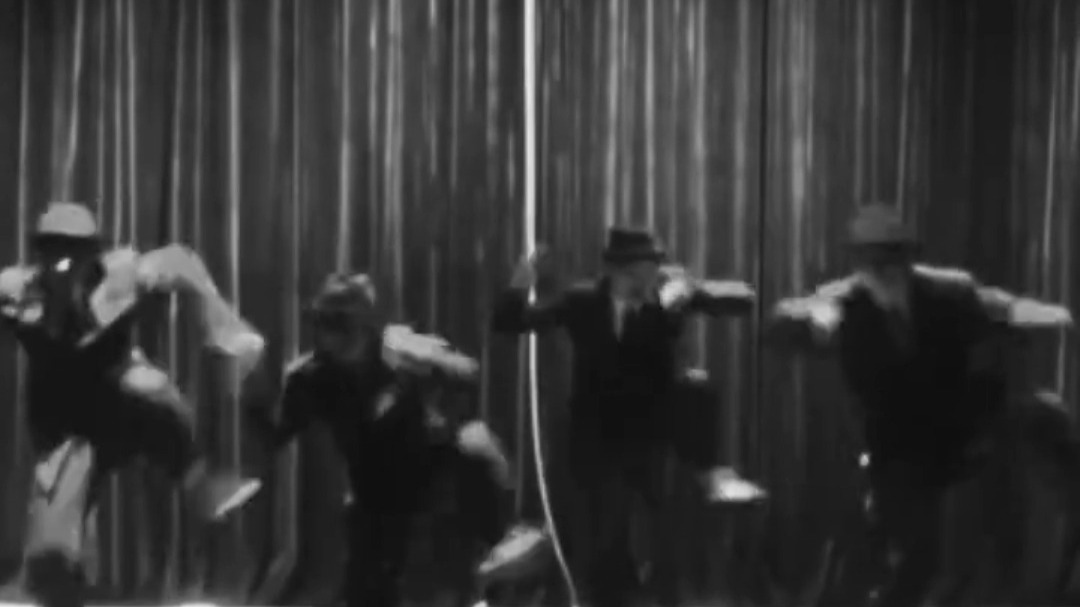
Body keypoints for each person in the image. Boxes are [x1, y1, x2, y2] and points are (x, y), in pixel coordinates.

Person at [765, 202, 1077, 607]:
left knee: (1043, 415)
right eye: (874, 263)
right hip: (898, 447)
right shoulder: (844, 302)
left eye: (893, 261)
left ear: (907, 260)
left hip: (960, 424)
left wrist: (1046, 316)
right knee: (919, 558)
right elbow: (782, 321)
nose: (884, 273)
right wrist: (812, 319)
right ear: (860, 265)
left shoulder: (948, 291)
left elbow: (1001, 307)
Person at [0, 202, 265, 607]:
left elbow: (180, 260)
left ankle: (202, 486)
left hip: (122, 398)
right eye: (53, 249)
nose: (64, 262)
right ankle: (62, 579)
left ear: (94, 254)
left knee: (158, 402)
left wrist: (227, 332)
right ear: (39, 253)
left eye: (75, 250)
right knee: (52, 554)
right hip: (63, 417)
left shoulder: (123, 275)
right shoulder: (18, 291)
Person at [490, 226, 766, 607]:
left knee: (695, 390)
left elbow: (743, 299)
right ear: (618, 271)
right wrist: (523, 280)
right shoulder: (583, 301)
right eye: (642, 269)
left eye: (654, 267)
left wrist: (693, 289)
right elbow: (510, 322)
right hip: (597, 436)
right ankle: (609, 593)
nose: (651, 277)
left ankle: (711, 477)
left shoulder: (667, 299)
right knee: (606, 538)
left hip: (649, 434)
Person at [247, 272, 548, 607]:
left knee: (476, 445)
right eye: (323, 323)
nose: (330, 335)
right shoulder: (311, 378)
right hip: (374, 495)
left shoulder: (399, 352)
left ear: (362, 326)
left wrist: (430, 361)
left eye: (339, 323)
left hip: (433, 478)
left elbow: (468, 373)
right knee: (368, 590)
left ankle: (505, 554)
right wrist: (252, 383)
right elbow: (276, 433)